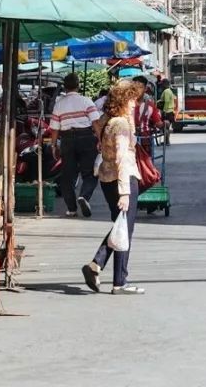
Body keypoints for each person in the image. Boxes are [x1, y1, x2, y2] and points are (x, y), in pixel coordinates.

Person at [81, 79, 145, 296]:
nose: (135, 105)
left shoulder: (108, 121)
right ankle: (119, 281)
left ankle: (97, 265)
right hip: (122, 179)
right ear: (122, 101)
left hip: (106, 179)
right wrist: (125, 191)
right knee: (125, 229)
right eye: (131, 100)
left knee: (120, 226)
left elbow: (97, 127)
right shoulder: (121, 125)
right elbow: (122, 158)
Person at [50, 72, 101, 218]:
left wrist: (53, 145)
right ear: (78, 86)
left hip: (67, 140)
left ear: (65, 87)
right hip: (86, 138)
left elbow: (54, 128)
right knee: (89, 173)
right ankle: (84, 196)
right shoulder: (87, 101)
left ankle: (71, 208)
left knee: (67, 176)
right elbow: (96, 123)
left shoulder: (59, 104)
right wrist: (101, 140)